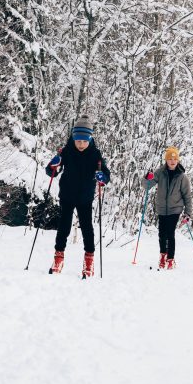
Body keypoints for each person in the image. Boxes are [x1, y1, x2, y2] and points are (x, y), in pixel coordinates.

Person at [45, 115, 110, 277]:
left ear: (90, 139)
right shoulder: (66, 151)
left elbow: (105, 175)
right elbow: (51, 172)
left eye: (84, 141)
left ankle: (89, 260)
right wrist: (52, 165)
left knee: (87, 228)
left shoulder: (96, 155)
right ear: (73, 138)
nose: (81, 144)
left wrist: (103, 177)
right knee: (64, 227)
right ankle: (58, 258)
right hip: (67, 194)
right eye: (78, 141)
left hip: (85, 197)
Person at [143, 146, 193, 270]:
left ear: (178, 161)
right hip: (161, 208)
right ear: (166, 160)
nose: (172, 161)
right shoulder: (160, 173)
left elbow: (187, 196)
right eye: (170, 159)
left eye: (175, 159)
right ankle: (162, 256)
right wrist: (147, 177)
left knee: (170, 233)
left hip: (175, 208)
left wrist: (187, 213)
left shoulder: (182, 177)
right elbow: (147, 185)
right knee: (162, 234)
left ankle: (170, 259)